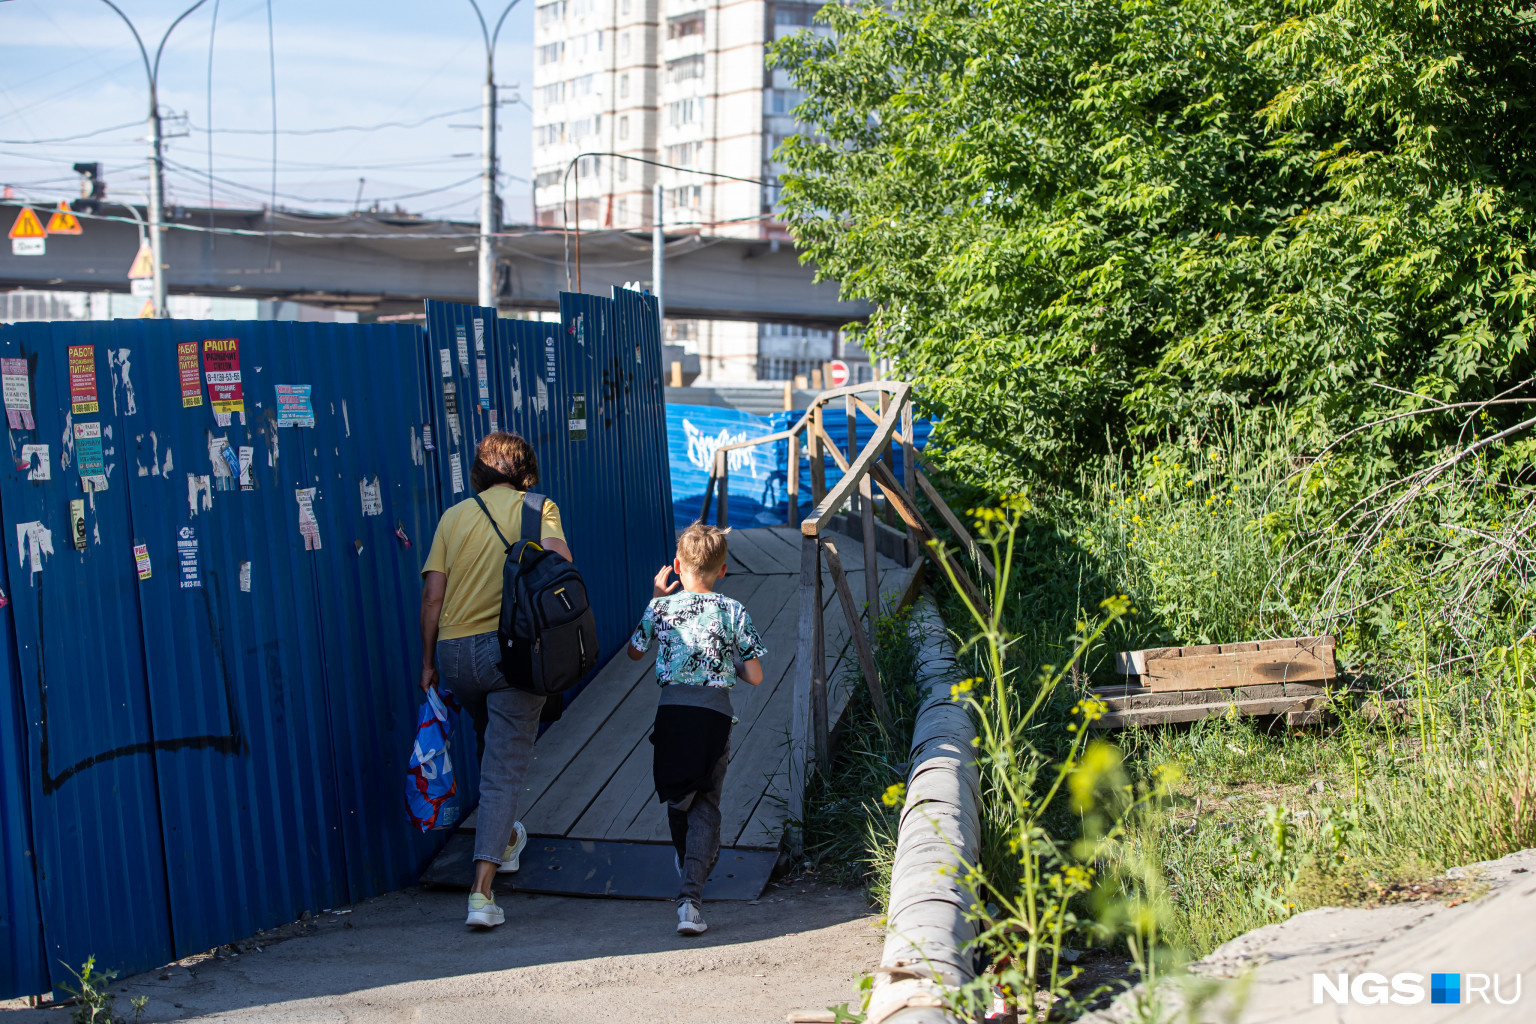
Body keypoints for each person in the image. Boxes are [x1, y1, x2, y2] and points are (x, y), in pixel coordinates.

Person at [419, 432, 573, 930]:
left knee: (491, 740)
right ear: (525, 468)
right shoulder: (539, 507)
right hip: (509, 652)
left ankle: (506, 839)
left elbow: (432, 599)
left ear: (480, 471)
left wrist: (428, 663)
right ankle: (482, 894)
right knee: (503, 768)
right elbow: (560, 567)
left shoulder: (452, 517)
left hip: (455, 653)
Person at [627, 523, 766, 936]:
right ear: (723, 570)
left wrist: (655, 602)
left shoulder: (660, 609)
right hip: (714, 719)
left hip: (672, 714)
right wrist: (730, 663)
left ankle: (688, 858)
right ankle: (691, 900)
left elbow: (635, 652)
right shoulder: (733, 610)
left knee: (677, 797)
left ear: (676, 567)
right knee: (706, 801)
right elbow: (755, 676)